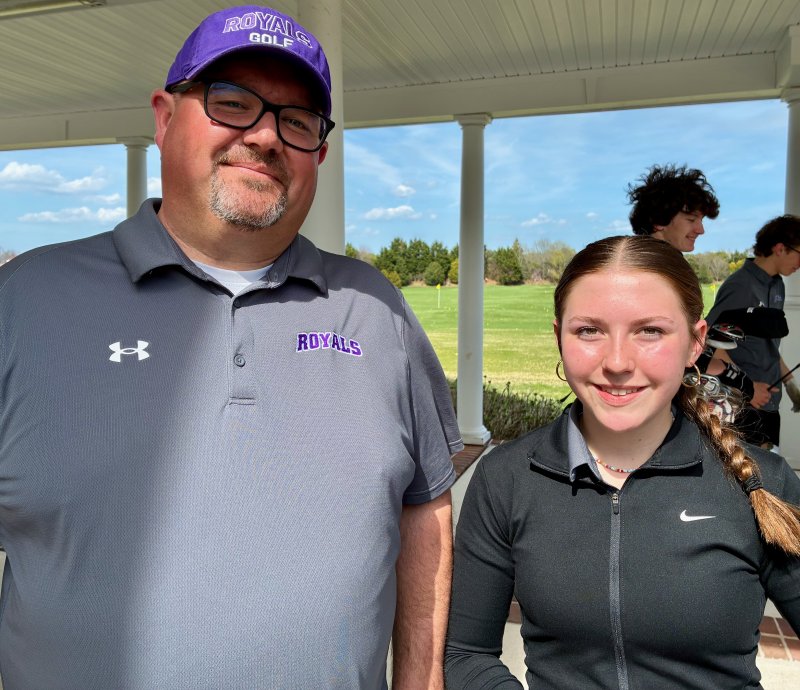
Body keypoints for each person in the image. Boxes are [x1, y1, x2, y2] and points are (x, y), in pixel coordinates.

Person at [0, 6, 462, 689]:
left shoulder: (376, 310)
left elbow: (424, 510)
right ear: (163, 117)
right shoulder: (25, 301)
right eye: (232, 103)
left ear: (320, 154)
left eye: (296, 121)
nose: (266, 137)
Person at [445, 235, 800, 689]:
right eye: (589, 330)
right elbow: (465, 653)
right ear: (559, 337)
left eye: (650, 330)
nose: (616, 362)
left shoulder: (761, 483)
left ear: (695, 343)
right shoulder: (506, 478)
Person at [705, 214, 800, 448]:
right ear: (780, 248)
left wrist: (790, 384)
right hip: (743, 403)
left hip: (769, 402)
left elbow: (768, 346)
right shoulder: (740, 286)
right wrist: (748, 387)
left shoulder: (777, 285)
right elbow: (709, 341)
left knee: (767, 473)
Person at [627, 163, 720, 252]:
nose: (701, 230)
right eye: (691, 219)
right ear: (659, 220)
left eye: (701, 220)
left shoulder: (663, 263)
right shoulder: (644, 266)